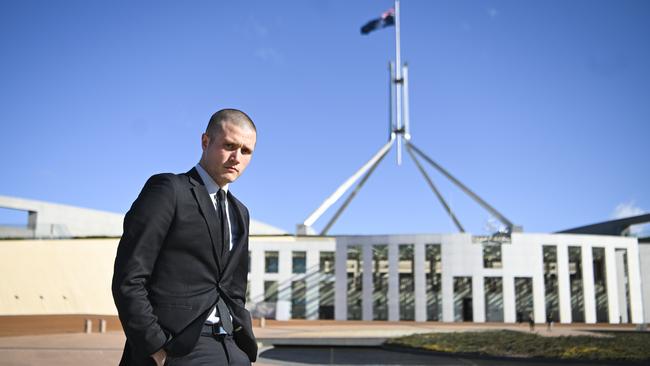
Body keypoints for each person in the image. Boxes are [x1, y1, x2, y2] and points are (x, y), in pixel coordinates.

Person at [112, 109, 258, 366]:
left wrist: (242, 344)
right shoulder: (169, 190)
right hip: (177, 347)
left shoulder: (240, 212)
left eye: (246, 151)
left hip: (231, 348)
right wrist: (154, 346)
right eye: (229, 146)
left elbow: (233, 288)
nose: (237, 157)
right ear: (205, 141)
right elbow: (129, 276)